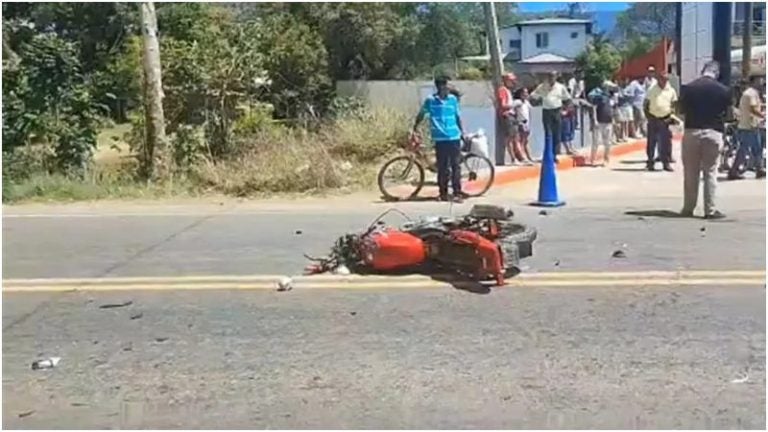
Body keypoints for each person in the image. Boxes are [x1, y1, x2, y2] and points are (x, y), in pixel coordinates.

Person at [678, 61, 731, 219]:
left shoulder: (688, 88)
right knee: (710, 172)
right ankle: (710, 210)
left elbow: (681, 111)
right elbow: (729, 115)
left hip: (692, 131)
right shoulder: (724, 90)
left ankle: (688, 208)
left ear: (703, 71)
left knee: (690, 172)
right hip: (713, 132)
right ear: (716, 73)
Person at [412, 76, 468, 202]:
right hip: (440, 138)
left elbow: (457, 116)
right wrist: (415, 127)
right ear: (441, 86)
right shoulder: (431, 100)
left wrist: (462, 132)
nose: (449, 87)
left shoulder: (453, 100)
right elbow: (421, 114)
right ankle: (443, 193)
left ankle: (457, 193)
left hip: (454, 136)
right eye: (448, 85)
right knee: (443, 167)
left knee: (455, 166)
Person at [729, 75, 766, 180]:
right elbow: (753, 109)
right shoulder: (751, 94)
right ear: (754, 81)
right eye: (760, 80)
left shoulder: (749, 93)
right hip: (749, 126)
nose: (762, 82)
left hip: (750, 125)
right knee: (744, 149)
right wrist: (763, 116)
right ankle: (734, 171)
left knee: (757, 148)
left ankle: (759, 169)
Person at [531, 71, 571, 158]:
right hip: (546, 111)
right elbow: (533, 96)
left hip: (557, 111)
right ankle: (548, 154)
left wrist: (565, 110)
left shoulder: (560, 87)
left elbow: (568, 99)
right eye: (549, 77)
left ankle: (555, 154)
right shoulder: (542, 86)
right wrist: (537, 101)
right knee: (548, 133)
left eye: (553, 76)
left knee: (557, 133)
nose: (551, 78)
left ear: (556, 77)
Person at [644, 71, 678, 171]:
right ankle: (650, 162)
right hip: (653, 119)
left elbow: (674, 105)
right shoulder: (652, 89)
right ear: (658, 79)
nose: (663, 81)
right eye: (662, 79)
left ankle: (666, 163)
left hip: (665, 119)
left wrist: (671, 116)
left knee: (665, 143)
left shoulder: (671, 90)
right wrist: (649, 117)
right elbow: (645, 104)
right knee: (651, 142)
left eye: (665, 79)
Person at [496, 72, 524, 164]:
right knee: (510, 138)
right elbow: (502, 105)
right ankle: (513, 159)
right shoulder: (502, 90)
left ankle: (520, 157)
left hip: (512, 116)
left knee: (515, 137)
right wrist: (513, 105)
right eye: (511, 80)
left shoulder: (508, 91)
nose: (513, 82)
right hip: (507, 115)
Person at [587, 81, 616, 166]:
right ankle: (593, 159)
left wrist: (614, 119)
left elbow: (613, 109)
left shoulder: (611, 97)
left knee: (608, 142)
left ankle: (606, 159)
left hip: (609, 122)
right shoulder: (599, 96)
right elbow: (594, 108)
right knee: (596, 142)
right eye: (609, 87)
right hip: (599, 122)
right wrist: (594, 120)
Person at [513, 87, 535, 164]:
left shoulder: (526, 102)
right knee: (520, 141)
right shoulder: (517, 102)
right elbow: (512, 109)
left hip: (527, 123)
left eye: (526, 93)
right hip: (520, 122)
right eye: (524, 93)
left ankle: (529, 157)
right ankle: (522, 157)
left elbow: (529, 111)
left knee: (525, 141)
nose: (526, 94)